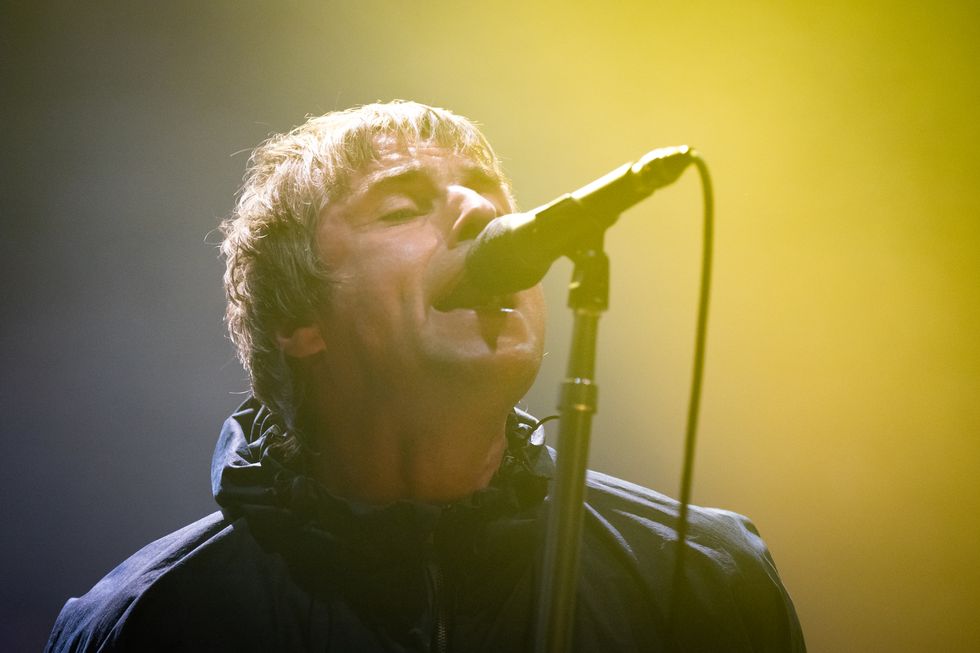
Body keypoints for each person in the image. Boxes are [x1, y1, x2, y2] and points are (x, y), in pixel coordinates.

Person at [45, 101, 805, 652]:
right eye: (401, 207)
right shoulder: (145, 623)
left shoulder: (706, 580)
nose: (481, 215)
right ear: (299, 320)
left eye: (490, 195)